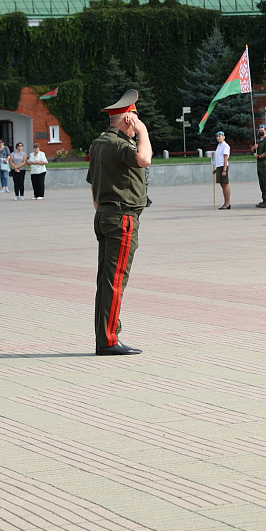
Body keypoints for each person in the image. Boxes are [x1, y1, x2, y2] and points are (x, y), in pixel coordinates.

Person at [86, 89, 152, 356]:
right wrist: (144, 133)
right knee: (114, 281)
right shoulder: (119, 144)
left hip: (105, 215)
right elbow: (144, 159)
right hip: (121, 219)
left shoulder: (99, 143)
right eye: (135, 119)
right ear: (128, 119)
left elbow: (92, 185)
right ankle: (108, 340)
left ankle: (106, 335)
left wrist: (105, 206)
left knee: (106, 280)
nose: (137, 124)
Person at [214, 131, 232, 210]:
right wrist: (216, 169)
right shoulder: (219, 146)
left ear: (224, 137)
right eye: (217, 136)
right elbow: (218, 158)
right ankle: (225, 202)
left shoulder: (225, 146)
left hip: (223, 166)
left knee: (225, 184)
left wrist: (224, 170)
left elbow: (225, 158)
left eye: (220, 136)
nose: (218, 138)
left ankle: (227, 203)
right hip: (219, 166)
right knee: (222, 185)